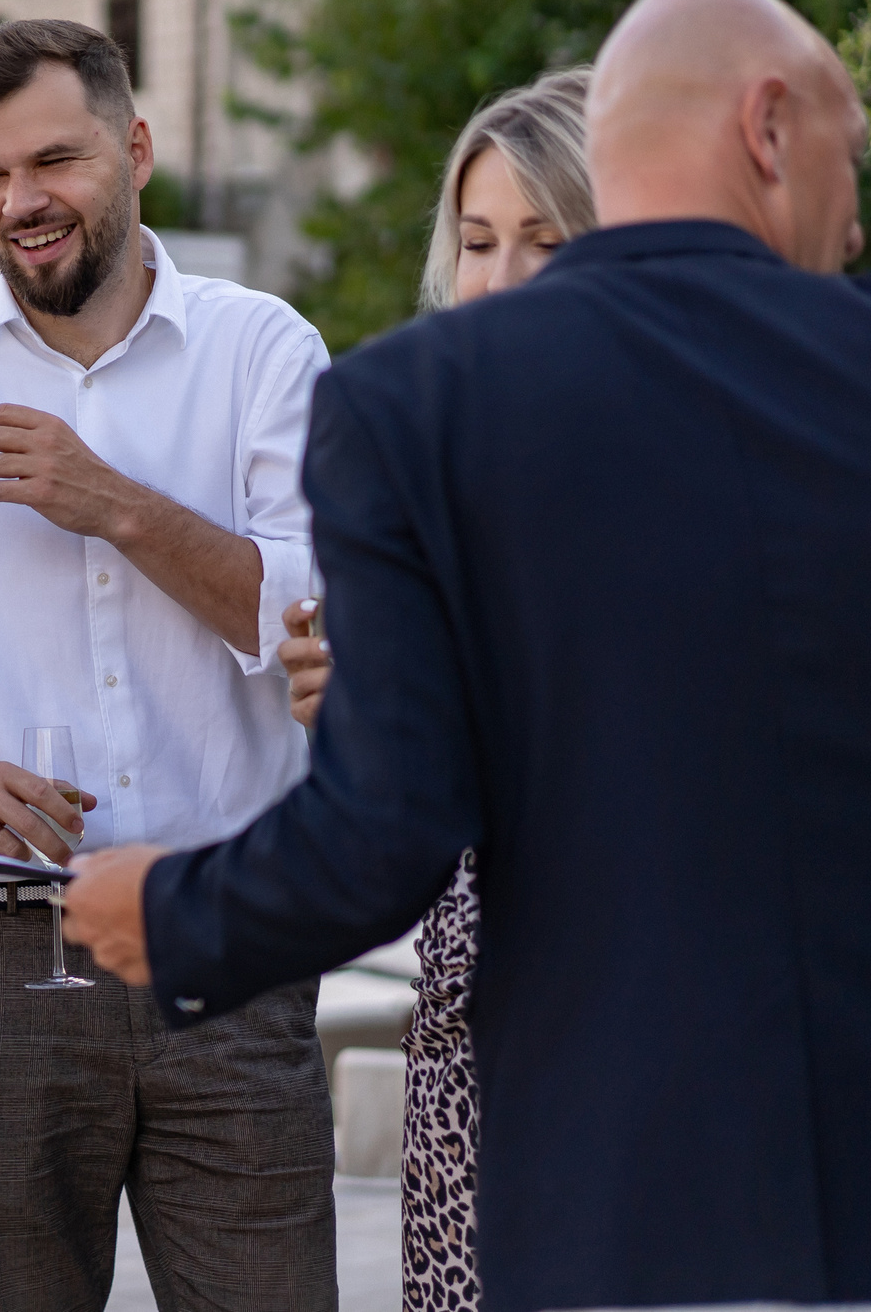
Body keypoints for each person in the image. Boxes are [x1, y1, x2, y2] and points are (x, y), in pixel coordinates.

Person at [65, 0, 871, 1312]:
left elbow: (388, 833)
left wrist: (168, 908)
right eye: (855, 147)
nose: (860, 197)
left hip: (634, 1206)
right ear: (771, 127)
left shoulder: (417, 405)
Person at [0, 18, 336, 1312]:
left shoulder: (265, 350)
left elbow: (314, 607)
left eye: (54, 160)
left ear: (135, 149)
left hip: (229, 944)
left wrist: (117, 502)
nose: (21, 202)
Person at [275, 68, 594, 1312]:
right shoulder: (440, 476)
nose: (501, 279)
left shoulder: (677, 468)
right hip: (467, 1016)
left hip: (635, 1026)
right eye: (475, 242)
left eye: (548, 240)